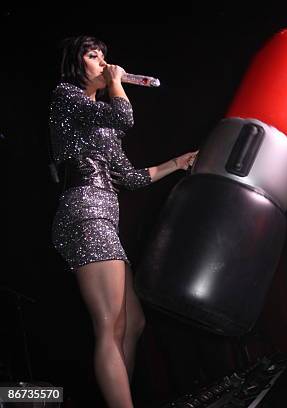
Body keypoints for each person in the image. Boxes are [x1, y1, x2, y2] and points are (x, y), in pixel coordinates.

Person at [49, 36, 197, 408]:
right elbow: (124, 115)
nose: (103, 62)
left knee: (133, 324)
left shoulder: (102, 124)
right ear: (75, 63)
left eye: (105, 57)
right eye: (94, 56)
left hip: (104, 215)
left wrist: (176, 164)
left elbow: (128, 177)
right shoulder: (66, 96)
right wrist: (116, 82)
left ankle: (120, 398)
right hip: (84, 210)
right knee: (110, 324)